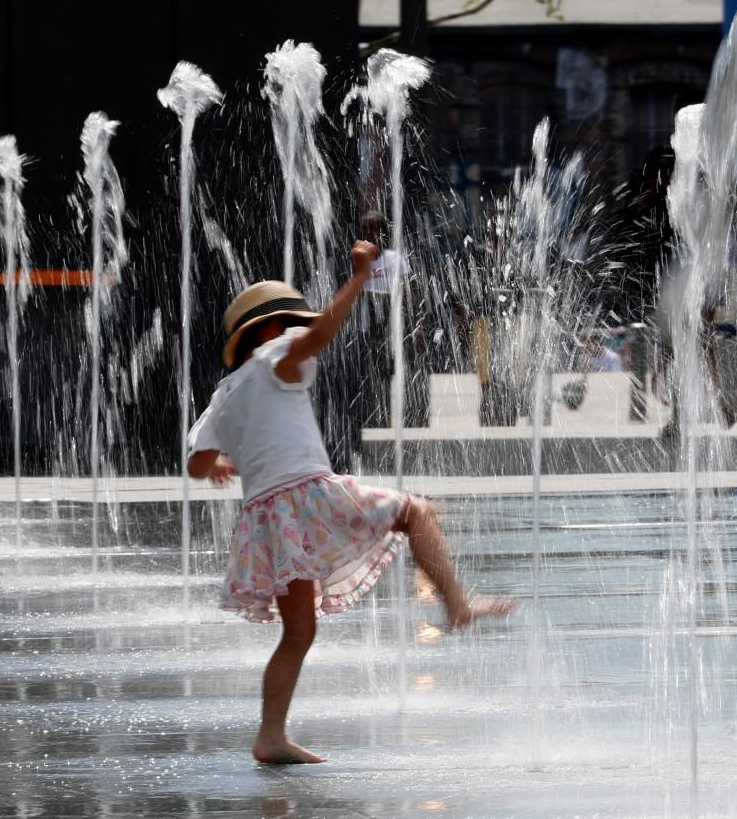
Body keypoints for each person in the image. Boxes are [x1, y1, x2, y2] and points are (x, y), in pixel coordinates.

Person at [186, 240, 515, 766]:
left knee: (299, 632)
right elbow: (322, 333)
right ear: (269, 332)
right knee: (417, 512)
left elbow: (198, 465)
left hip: (268, 518)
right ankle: (456, 606)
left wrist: (227, 465)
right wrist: (360, 277)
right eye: (291, 323)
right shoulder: (276, 356)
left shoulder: (222, 396)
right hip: (307, 494)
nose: (300, 332)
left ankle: (270, 736)